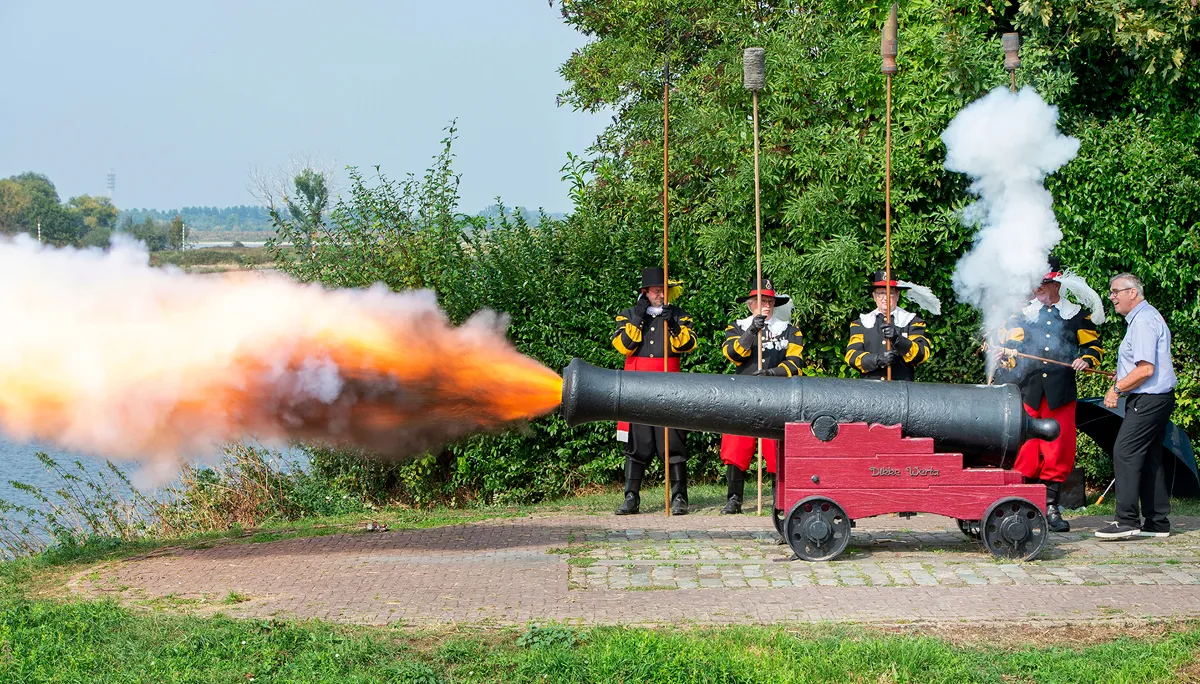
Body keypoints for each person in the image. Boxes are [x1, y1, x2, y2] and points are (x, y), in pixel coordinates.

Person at [997, 258, 1105, 533]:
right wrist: (1007, 354)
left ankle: (1051, 506)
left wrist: (1087, 360)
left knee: (1059, 447)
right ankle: (1021, 505)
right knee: (1026, 447)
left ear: (1056, 284)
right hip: (1028, 390)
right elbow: (1013, 343)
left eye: (1041, 284)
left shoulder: (1077, 314)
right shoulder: (1021, 314)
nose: (1036, 290)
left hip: (1061, 393)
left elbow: (1093, 346)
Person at [1095, 273, 1177, 540]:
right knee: (1150, 456)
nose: (1112, 297)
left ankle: (1127, 520)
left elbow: (1145, 370)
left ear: (1133, 292)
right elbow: (1141, 367)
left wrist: (1117, 388)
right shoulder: (1146, 317)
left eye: (1116, 291)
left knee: (1125, 451)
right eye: (1111, 292)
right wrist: (1121, 374)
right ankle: (1156, 523)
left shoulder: (1142, 321)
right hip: (1156, 398)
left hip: (1149, 399)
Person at [611, 266, 697, 516]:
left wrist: (672, 323)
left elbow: (688, 345)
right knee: (638, 444)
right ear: (645, 292)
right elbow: (624, 346)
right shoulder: (627, 315)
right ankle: (631, 496)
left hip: (669, 387)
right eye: (657, 291)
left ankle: (680, 496)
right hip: (637, 387)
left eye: (664, 291)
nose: (662, 295)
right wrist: (639, 317)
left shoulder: (679, 315)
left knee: (673, 443)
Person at [718, 276, 804, 514]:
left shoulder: (789, 331)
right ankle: (734, 498)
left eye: (769, 301)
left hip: (777, 395)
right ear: (750, 305)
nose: (766, 305)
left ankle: (780, 499)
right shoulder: (735, 327)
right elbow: (732, 355)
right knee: (736, 446)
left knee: (775, 447)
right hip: (743, 395)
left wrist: (772, 373)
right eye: (760, 301)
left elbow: (795, 363)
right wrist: (750, 332)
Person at [845, 271, 938, 381]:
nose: (885, 298)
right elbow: (851, 356)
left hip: (902, 389)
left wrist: (898, 340)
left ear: (897, 295)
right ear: (874, 297)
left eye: (890, 293)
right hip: (870, 390)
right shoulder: (860, 324)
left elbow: (922, 354)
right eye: (881, 293)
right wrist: (877, 359)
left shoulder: (912, 322)